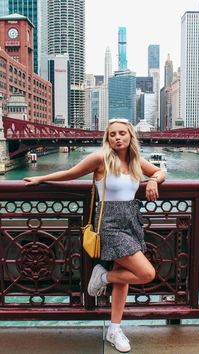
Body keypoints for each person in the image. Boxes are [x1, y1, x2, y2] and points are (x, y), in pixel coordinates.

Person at [24, 118, 165, 353]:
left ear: (130, 136)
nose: (117, 137)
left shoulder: (135, 160)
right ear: (107, 138)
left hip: (131, 222)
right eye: (112, 134)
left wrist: (152, 180)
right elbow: (71, 173)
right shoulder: (101, 159)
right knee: (146, 273)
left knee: (124, 277)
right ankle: (102, 278)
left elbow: (160, 171)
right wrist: (41, 178)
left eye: (122, 133)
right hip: (109, 225)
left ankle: (114, 328)